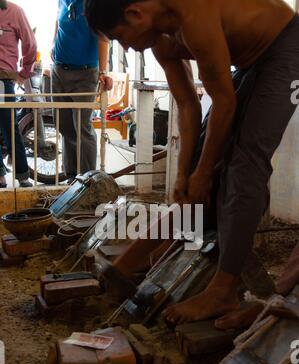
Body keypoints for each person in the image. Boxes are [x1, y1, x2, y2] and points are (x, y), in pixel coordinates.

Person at [85, 0, 299, 329]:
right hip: (249, 63)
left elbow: (224, 103)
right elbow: (187, 105)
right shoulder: (160, 40)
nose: (125, 47)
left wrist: (201, 174)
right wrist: (186, 173)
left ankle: (223, 290)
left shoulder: (194, 17)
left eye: (121, 37)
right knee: (202, 165)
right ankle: (132, 263)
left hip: (287, 46)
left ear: (135, 14)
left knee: (243, 165)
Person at [51, 0, 113, 184]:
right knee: (63, 124)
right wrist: (53, 44)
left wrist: (103, 71)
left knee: (82, 125)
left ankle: (88, 179)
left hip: (85, 73)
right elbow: (58, 21)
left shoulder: (93, 4)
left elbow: (103, 38)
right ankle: (71, 176)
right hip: (59, 70)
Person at [0, 0, 37, 188]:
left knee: (9, 126)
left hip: (3, 79)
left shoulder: (15, 12)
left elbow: (30, 44)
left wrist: (24, 72)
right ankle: (0, 173)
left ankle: (22, 174)